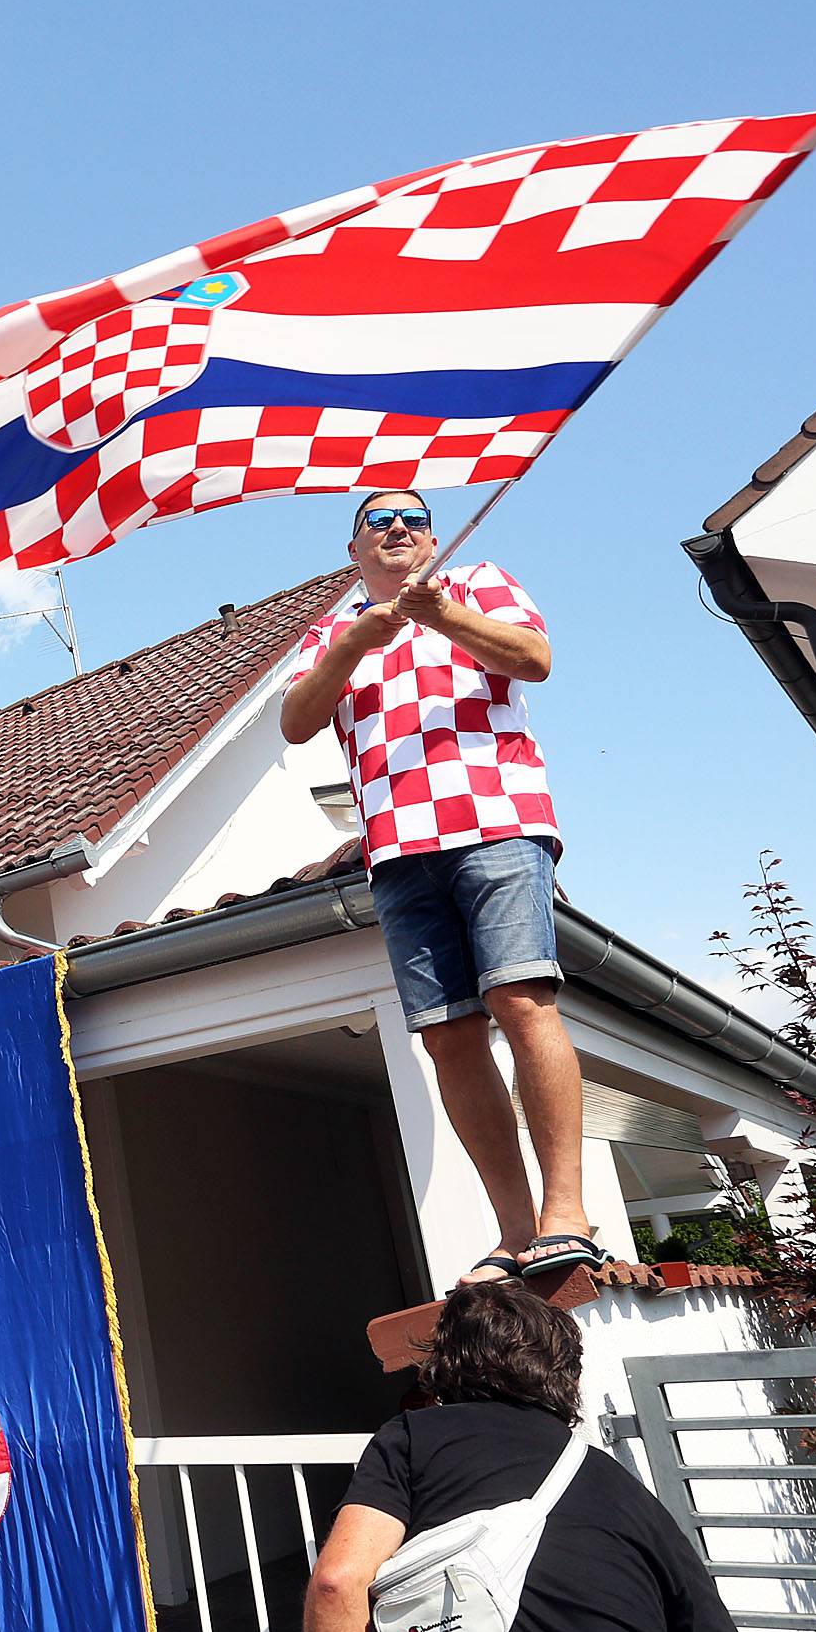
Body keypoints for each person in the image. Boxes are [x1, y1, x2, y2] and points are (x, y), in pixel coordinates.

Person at [300, 1280, 795, 1632]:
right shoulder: (629, 1499)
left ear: (441, 1371)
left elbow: (338, 1584)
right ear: (569, 1379)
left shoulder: (416, 1441)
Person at [282, 494, 599, 1286]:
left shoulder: (479, 579)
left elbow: (535, 658)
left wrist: (439, 614)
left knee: (522, 1000)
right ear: (353, 548)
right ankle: (516, 1229)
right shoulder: (332, 629)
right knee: (448, 1035)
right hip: (396, 851)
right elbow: (296, 720)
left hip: (497, 824)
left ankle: (568, 1213)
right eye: (379, 520)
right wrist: (363, 633)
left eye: (415, 518)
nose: (400, 527)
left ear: (432, 538)